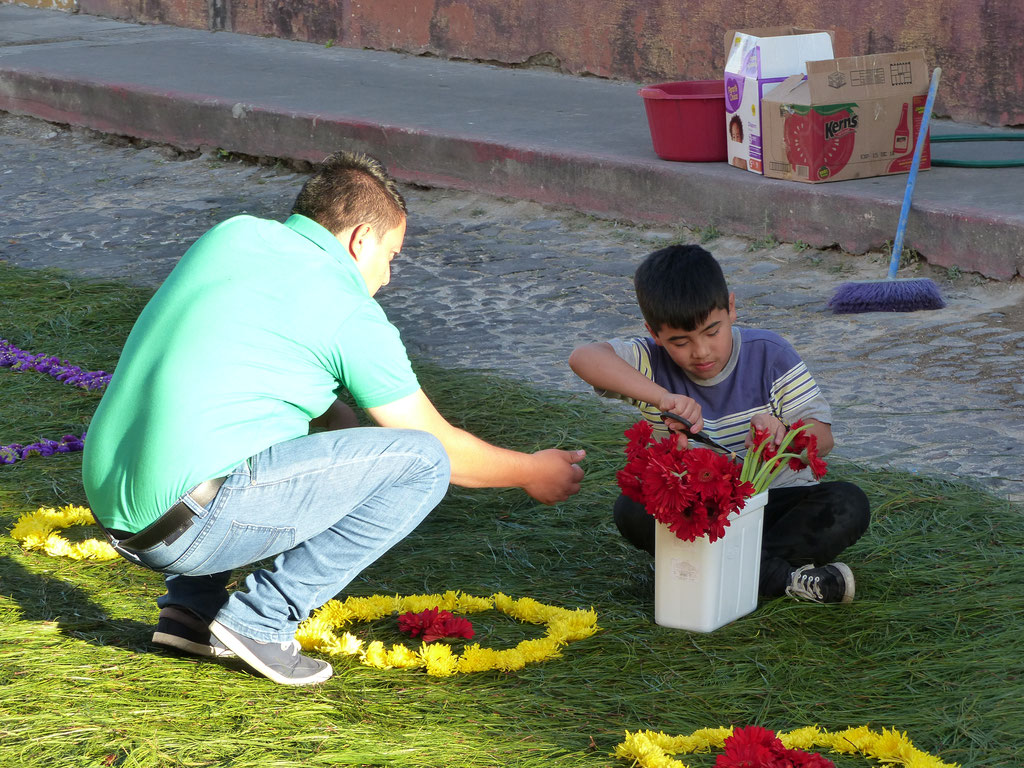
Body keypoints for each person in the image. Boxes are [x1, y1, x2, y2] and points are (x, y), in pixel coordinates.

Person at [82, 150, 585, 686]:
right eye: (391, 255)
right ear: (360, 239)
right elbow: (435, 441)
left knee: (234, 425)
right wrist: (534, 471)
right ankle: (260, 620)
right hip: (193, 529)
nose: (388, 277)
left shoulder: (234, 236)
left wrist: (338, 419)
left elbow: (245, 361)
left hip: (116, 508)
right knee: (422, 461)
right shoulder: (350, 311)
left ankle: (190, 612)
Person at [568, 244, 869, 605]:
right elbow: (583, 357)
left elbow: (823, 438)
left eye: (713, 331)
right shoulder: (649, 363)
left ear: (731, 307)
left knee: (848, 503)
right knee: (632, 509)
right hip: (697, 511)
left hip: (774, 503)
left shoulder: (769, 354)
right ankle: (784, 577)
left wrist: (783, 434)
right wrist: (662, 398)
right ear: (653, 333)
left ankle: (711, 570)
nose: (701, 352)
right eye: (679, 342)